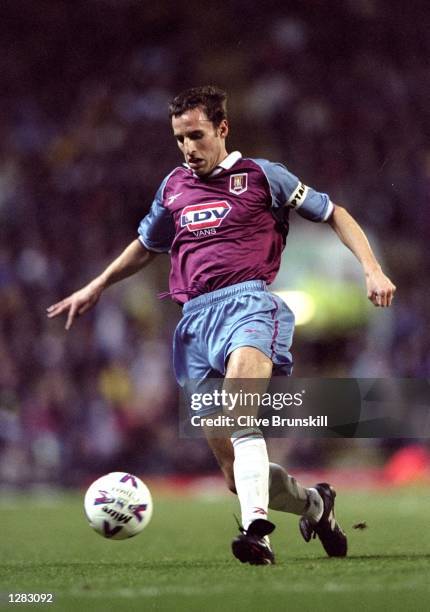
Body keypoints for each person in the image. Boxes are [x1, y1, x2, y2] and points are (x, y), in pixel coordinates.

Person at [47, 85, 396, 565]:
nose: (189, 148)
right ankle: (317, 504)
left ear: (222, 129)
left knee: (239, 415)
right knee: (234, 472)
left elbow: (334, 213)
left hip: (249, 306)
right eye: (179, 139)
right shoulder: (173, 187)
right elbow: (146, 245)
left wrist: (372, 268)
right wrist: (96, 286)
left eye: (196, 135)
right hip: (193, 324)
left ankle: (257, 533)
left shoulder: (262, 176)